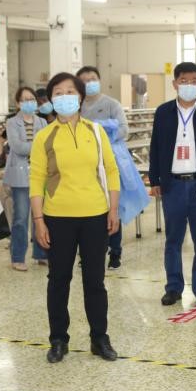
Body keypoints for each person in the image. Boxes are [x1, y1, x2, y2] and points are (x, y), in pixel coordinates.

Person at [30, 72, 121, 364]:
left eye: (70, 91)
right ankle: (58, 339)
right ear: (51, 99)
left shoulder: (95, 131)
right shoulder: (44, 136)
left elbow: (111, 170)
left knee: (95, 281)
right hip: (57, 218)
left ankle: (99, 338)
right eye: (58, 92)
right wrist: (38, 220)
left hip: (95, 215)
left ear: (80, 97)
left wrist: (113, 210)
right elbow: (37, 179)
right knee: (59, 279)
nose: (65, 97)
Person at [148, 62, 196, 310]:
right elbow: (155, 147)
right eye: (184, 81)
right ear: (175, 84)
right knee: (173, 240)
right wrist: (155, 179)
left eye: (194, 81)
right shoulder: (163, 112)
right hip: (172, 184)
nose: (189, 85)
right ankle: (173, 287)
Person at [78, 65, 129, 269]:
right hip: (83, 165)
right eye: (84, 80)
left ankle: (115, 252)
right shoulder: (76, 106)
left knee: (111, 207)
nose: (89, 83)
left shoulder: (111, 104)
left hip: (107, 163)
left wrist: (103, 136)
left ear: (99, 80)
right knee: (86, 210)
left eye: (92, 79)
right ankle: (87, 253)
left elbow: (124, 129)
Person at [4, 86, 49, 271]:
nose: (29, 102)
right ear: (18, 103)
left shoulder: (42, 122)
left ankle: (41, 254)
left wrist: (34, 146)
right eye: (24, 99)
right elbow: (17, 147)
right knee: (21, 218)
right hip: (20, 176)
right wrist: (38, 146)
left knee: (40, 216)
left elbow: (48, 145)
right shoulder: (12, 123)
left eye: (32, 99)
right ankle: (17, 256)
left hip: (40, 175)